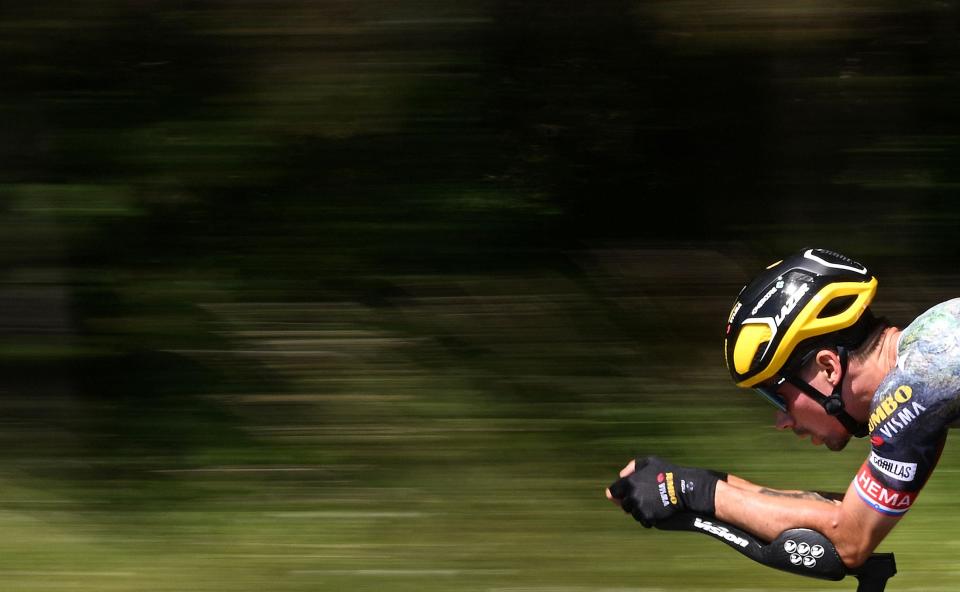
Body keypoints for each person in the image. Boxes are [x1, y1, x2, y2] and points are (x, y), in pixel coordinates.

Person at [605, 247, 960, 568]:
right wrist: (698, 484)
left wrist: (693, 491)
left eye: (779, 396)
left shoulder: (912, 389)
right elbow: (852, 512)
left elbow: (851, 538)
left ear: (828, 369)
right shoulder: (929, 341)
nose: (782, 420)